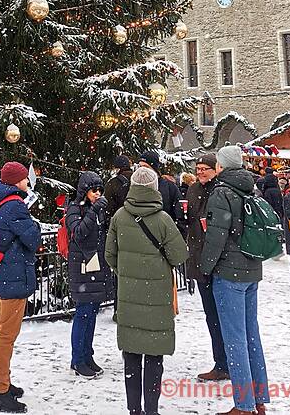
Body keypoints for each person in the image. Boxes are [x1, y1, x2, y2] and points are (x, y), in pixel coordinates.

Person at [106, 166, 188, 415]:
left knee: (131, 355)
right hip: (157, 298)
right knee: (154, 355)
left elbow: (110, 255)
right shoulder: (162, 219)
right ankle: (151, 409)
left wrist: (127, 273)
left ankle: (134, 410)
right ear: (154, 188)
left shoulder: (120, 216)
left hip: (129, 296)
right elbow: (179, 255)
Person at [200, 145, 269, 415]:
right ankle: (258, 398)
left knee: (235, 339)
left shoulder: (221, 192)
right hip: (251, 269)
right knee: (252, 335)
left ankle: (243, 404)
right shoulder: (250, 187)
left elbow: (216, 236)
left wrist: (205, 267)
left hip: (230, 273)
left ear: (222, 166)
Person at [0, 161, 41, 414]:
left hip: (5, 275)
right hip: (14, 277)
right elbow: (33, 238)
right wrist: (35, 224)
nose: (28, 183)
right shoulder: (14, 207)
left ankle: (3, 383)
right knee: (7, 337)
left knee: (3, 333)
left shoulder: (1, 203)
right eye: (24, 179)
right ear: (15, 182)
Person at [185, 153, 229, 382]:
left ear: (216, 169)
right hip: (200, 261)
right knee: (211, 315)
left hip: (220, 262)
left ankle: (227, 362)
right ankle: (221, 362)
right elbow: (191, 220)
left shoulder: (221, 189)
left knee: (224, 316)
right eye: (198, 168)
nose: (201, 172)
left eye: (205, 168)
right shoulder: (192, 190)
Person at [65, 171, 112, 378]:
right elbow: (78, 234)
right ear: (85, 190)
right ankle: (78, 359)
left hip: (96, 265)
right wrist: (93, 212)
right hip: (82, 267)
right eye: (94, 190)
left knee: (92, 314)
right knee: (83, 314)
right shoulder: (75, 208)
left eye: (100, 190)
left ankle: (87, 354)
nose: (98, 194)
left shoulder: (96, 210)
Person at [138, 150, 185, 232]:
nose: (142, 171)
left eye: (146, 167)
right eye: (140, 167)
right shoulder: (134, 186)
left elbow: (179, 215)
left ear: (154, 169)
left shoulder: (169, 187)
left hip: (163, 235)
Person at [104, 155, 132, 223]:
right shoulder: (137, 179)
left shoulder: (113, 183)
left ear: (118, 169)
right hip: (138, 223)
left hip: (120, 222)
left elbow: (108, 207)